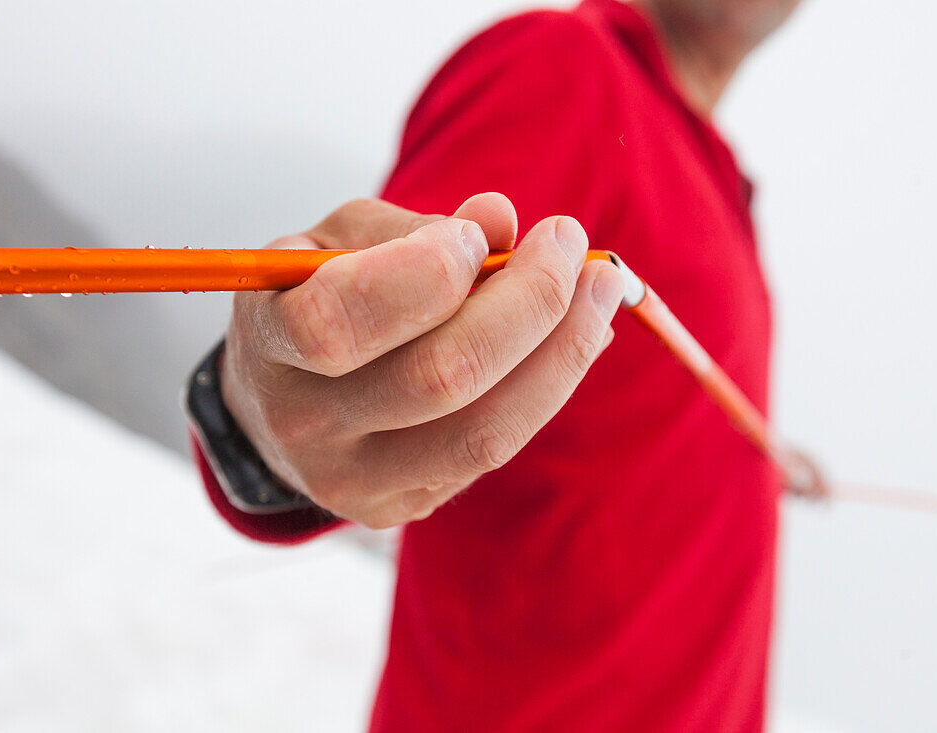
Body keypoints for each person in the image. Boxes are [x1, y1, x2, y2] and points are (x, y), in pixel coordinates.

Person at [186, 0, 818, 729]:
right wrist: (263, 418)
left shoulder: (721, 180)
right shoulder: (565, 66)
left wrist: (760, 464)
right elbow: (366, 332)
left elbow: (649, 430)